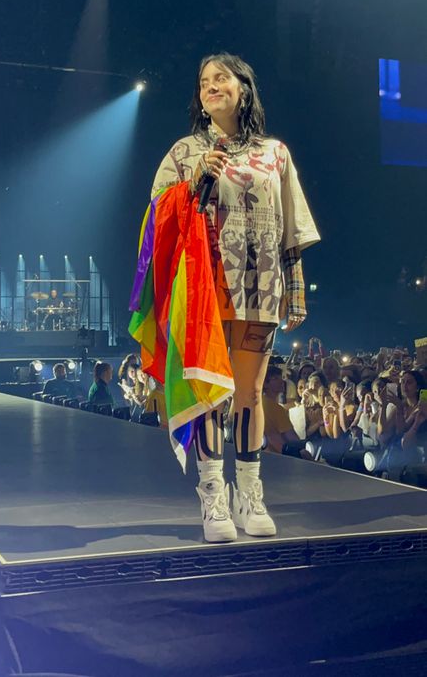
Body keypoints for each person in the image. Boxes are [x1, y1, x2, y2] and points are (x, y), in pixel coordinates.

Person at [148, 52, 320, 542]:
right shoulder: (183, 152)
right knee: (211, 395)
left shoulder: (275, 153)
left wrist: (296, 287)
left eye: (221, 77)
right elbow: (158, 215)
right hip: (206, 291)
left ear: (244, 88)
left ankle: (250, 495)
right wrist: (197, 176)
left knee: (249, 394)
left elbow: (291, 225)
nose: (211, 85)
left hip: (262, 288)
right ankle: (213, 500)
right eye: (204, 81)